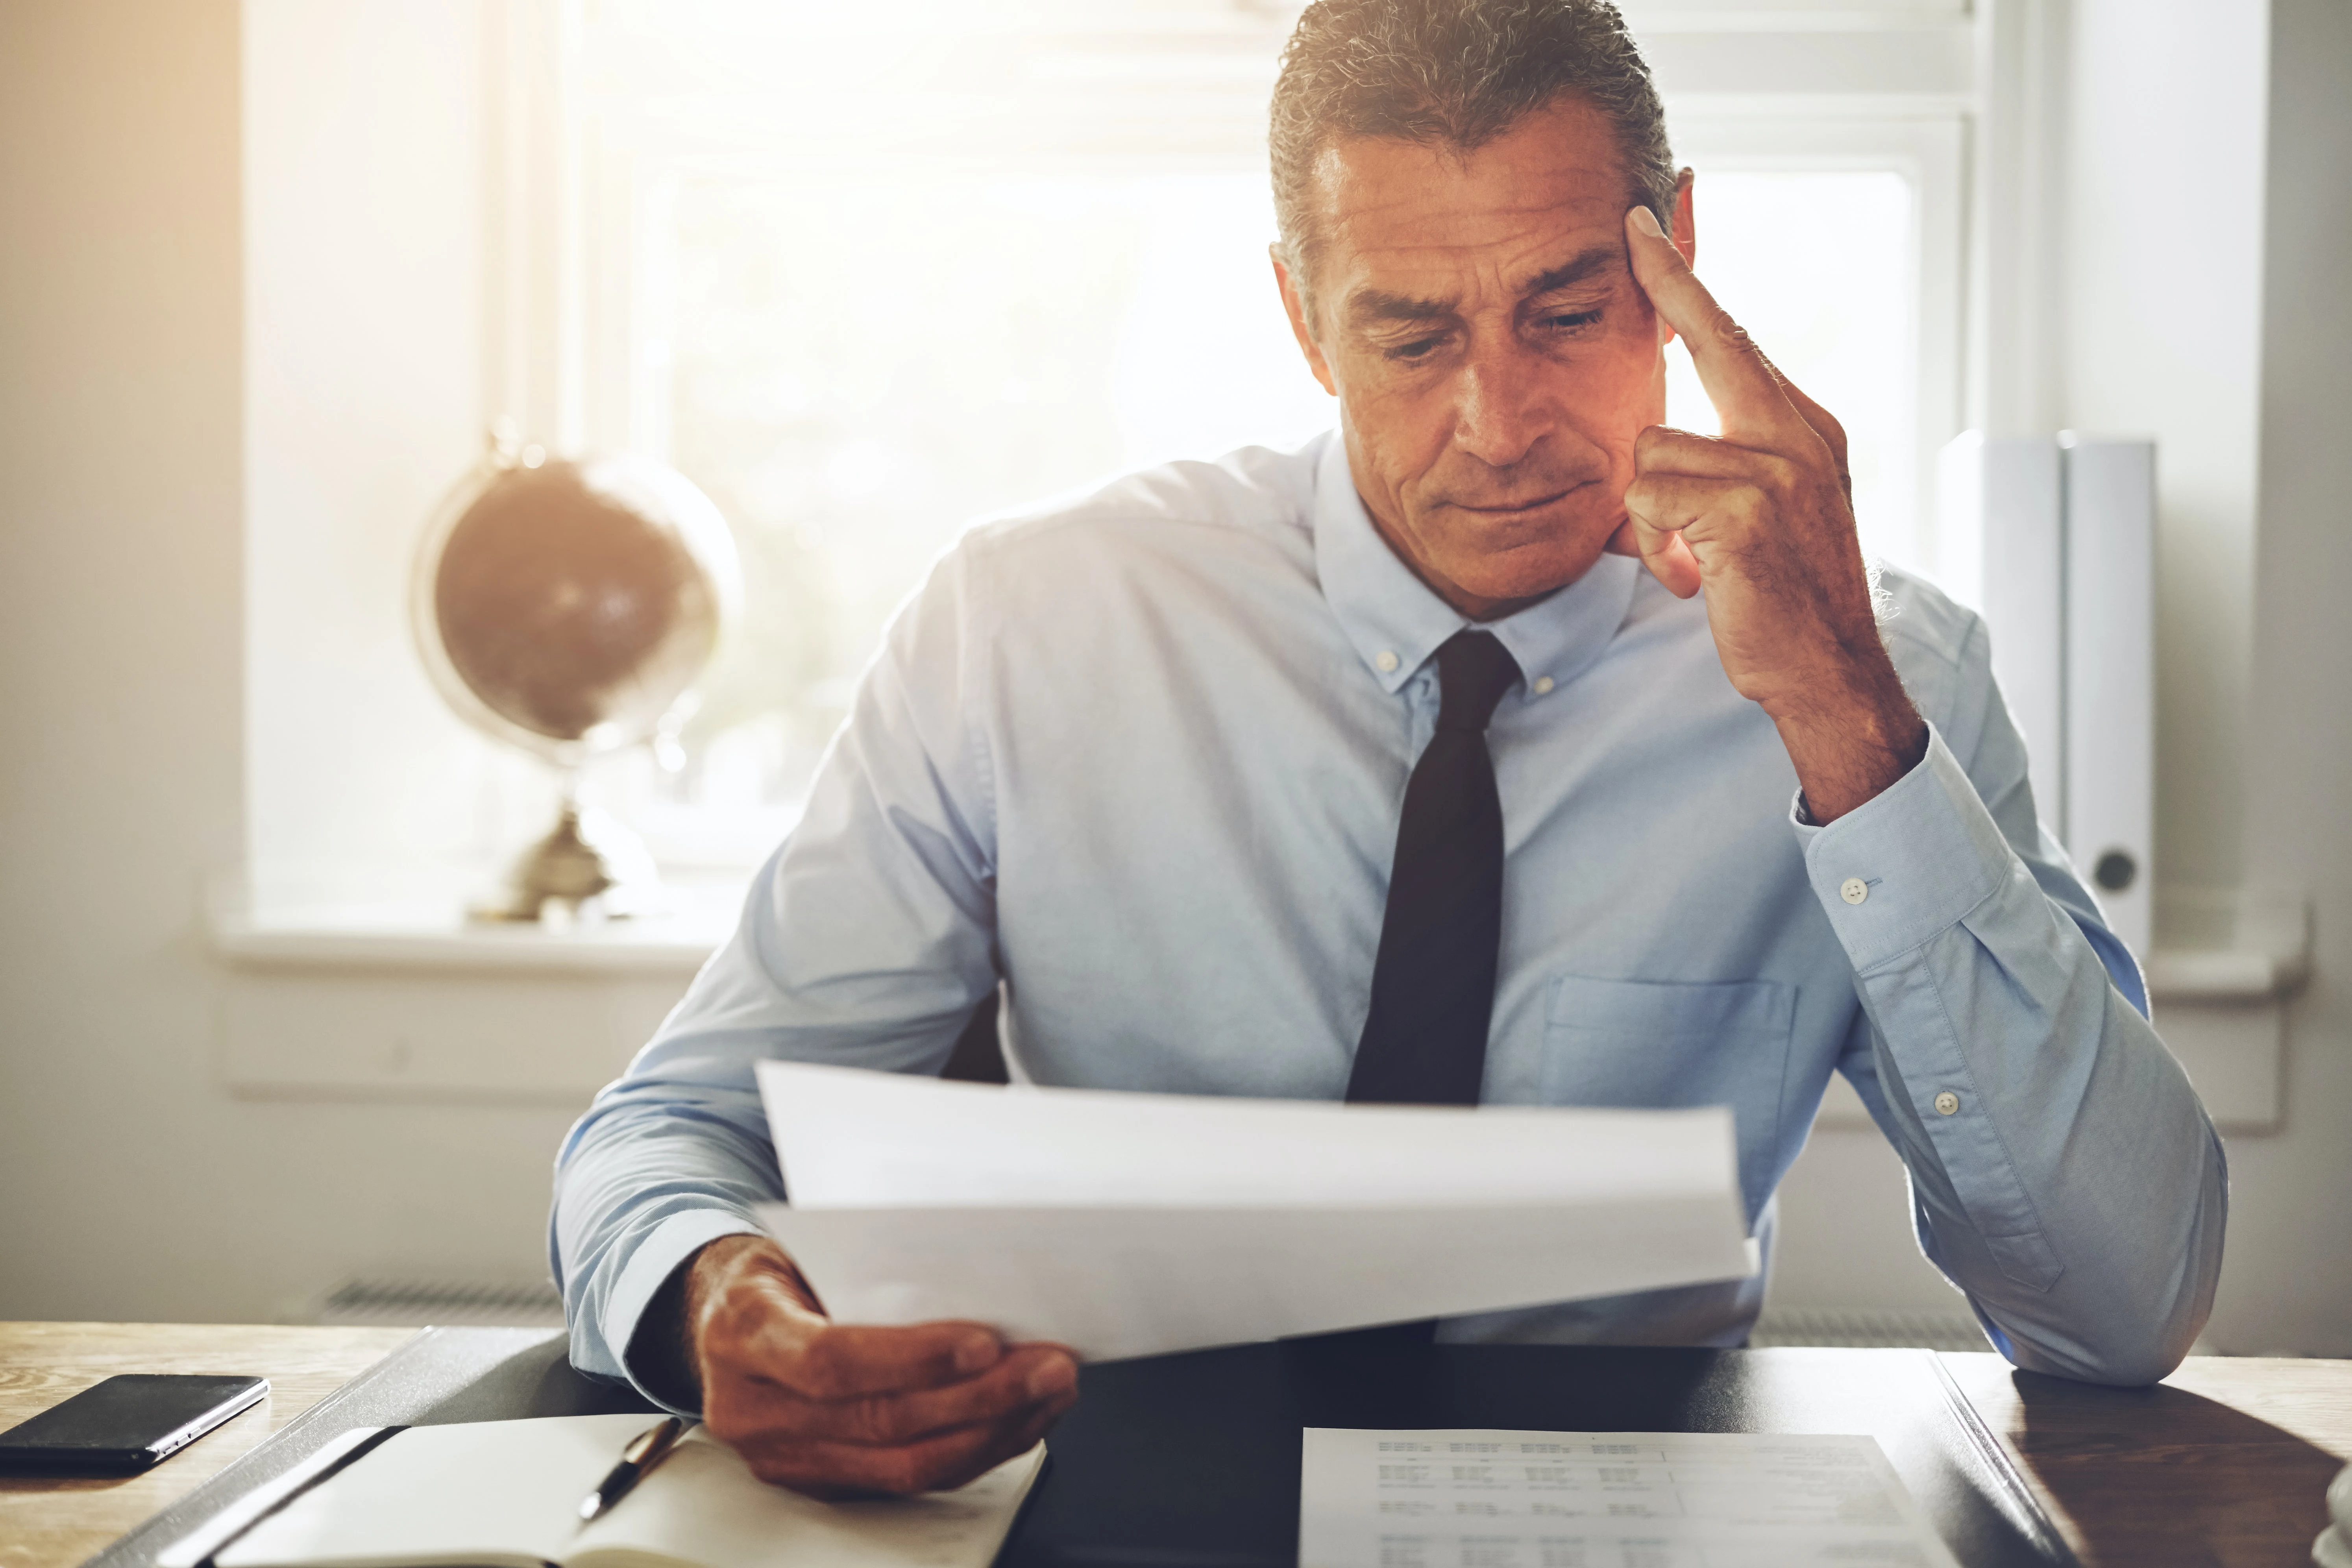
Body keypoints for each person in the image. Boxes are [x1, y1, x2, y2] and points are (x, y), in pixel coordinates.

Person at [551, 0, 2226, 1500]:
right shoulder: (1028, 623)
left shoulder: (1875, 664)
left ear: (1678, 256)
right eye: (1414, 337)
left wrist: (1850, 726)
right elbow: (668, 1133)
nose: (1498, 426)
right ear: (1301, 319)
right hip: (1114, 1486)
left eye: (1570, 310)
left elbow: (2127, 1307)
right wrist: (714, 1298)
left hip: (1624, 1507)